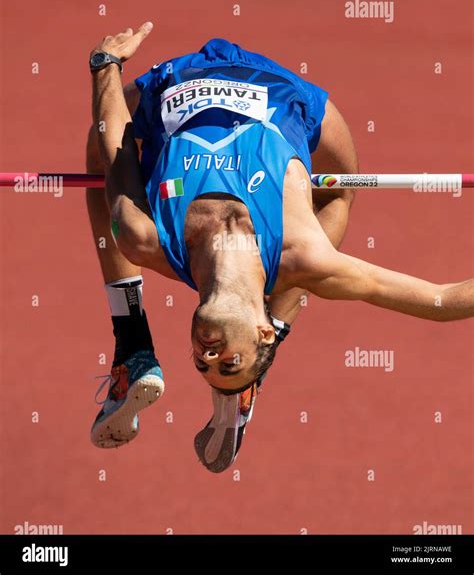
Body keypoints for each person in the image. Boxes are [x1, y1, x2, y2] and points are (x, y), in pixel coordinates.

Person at [86, 23, 473, 471]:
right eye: (228, 364)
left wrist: (105, 65)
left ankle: (132, 345)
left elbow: (114, 144)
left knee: (100, 170)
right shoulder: (305, 253)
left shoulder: (145, 238)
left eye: (202, 364)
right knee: (337, 195)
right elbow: (441, 299)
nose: (208, 356)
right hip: (281, 91)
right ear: (261, 332)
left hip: (177, 81)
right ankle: (258, 362)